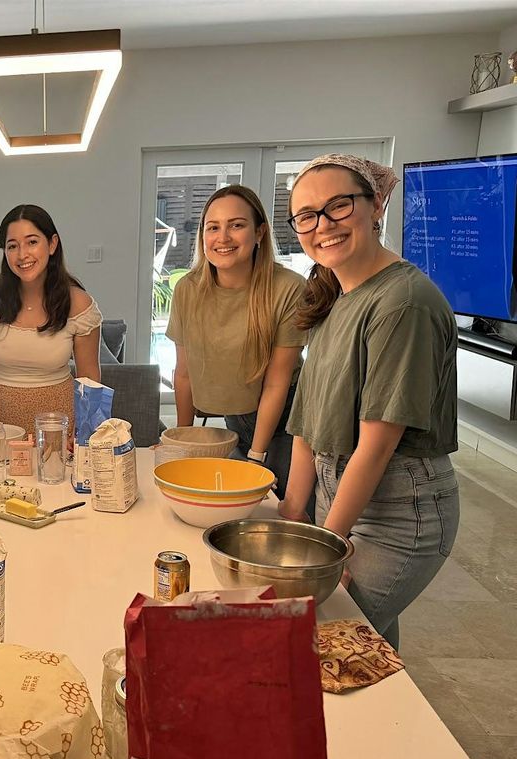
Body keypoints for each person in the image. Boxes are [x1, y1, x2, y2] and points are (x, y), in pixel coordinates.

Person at [278, 154, 459, 649]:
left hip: (399, 513)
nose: (323, 226)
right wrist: (291, 521)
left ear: (376, 205)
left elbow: (377, 447)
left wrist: (322, 551)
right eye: (307, 216)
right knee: (366, 642)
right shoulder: (338, 298)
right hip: (343, 497)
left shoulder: (404, 302)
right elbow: (307, 428)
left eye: (339, 206)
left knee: (317, 643)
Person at [166, 185, 306, 497]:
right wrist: (185, 439)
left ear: (259, 233)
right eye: (213, 227)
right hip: (235, 418)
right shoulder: (188, 289)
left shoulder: (288, 288)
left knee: (280, 512)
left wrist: (257, 457)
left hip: (287, 423)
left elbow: (276, 383)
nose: (223, 237)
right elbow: (184, 372)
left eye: (237, 225)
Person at [0, 204, 101, 441]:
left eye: (32, 242)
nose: (22, 255)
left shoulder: (79, 305)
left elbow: (89, 376)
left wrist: (86, 436)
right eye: (12, 246)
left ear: (52, 244)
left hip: (57, 424)